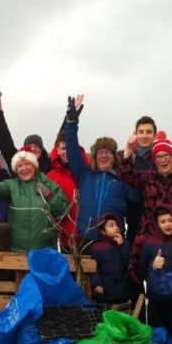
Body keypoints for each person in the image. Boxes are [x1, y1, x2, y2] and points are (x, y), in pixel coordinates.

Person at [119, 130, 172, 284]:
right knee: (144, 275)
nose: (163, 160)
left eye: (166, 156)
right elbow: (127, 175)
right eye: (158, 157)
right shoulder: (147, 177)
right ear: (154, 160)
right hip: (150, 236)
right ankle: (143, 306)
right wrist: (128, 150)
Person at [0, 146, 69, 253]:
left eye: (27, 164)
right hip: (17, 252)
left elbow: (63, 212)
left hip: (45, 251)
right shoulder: (12, 185)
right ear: (16, 169)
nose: (24, 168)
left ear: (35, 166)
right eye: (19, 166)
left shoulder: (48, 184)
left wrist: (49, 195)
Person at [64, 96, 139, 242]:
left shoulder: (122, 179)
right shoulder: (85, 175)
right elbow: (72, 149)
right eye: (100, 152)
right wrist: (71, 123)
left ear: (114, 156)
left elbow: (137, 198)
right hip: (86, 240)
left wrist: (132, 162)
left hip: (113, 241)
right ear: (95, 156)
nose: (104, 156)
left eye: (108, 152)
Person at [138, 205, 172, 334]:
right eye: (163, 222)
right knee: (157, 333)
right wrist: (153, 267)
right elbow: (141, 269)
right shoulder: (149, 243)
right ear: (157, 224)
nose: (167, 224)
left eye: (171, 220)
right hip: (155, 298)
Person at [0, 91, 53, 173]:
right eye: (29, 146)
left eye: (36, 146)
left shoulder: (50, 165)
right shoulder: (17, 164)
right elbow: (4, 143)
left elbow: (60, 142)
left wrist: (69, 119)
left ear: (42, 149)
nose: (33, 149)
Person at [124, 115, 157, 241]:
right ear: (136, 134)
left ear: (154, 135)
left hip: (155, 221)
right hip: (132, 221)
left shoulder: (159, 157)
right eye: (141, 132)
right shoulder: (128, 156)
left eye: (149, 132)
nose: (144, 136)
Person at [89, 214, 134, 306]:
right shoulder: (97, 248)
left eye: (117, 225)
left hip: (123, 292)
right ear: (103, 231)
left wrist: (122, 245)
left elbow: (129, 262)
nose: (116, 227)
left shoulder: (125, 244)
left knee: (122, 316)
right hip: (106, 292)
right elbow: (95, 269)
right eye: (111, 225)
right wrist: (97, 284)